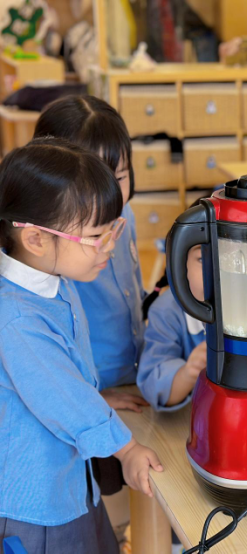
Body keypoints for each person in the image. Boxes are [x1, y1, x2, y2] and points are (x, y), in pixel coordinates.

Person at [0, 138, 162, 553]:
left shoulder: (52, 278)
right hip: (38, 506)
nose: (109, 245)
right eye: (95, 235)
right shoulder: (16, 318)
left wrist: (96, 396)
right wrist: (127, 449)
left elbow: (57, 378)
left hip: (69, 483)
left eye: (112, 229)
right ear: (36, 239)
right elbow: (63, 397)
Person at [34, 95, 146, 392]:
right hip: (87, 388)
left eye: (119, 177)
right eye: (94, 183)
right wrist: (92, 397)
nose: (111, 197)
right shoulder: (51, 245)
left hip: (134, 370)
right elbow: (45, 344)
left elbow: (132, 285)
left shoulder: (126, 215)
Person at [138, 242, 206, 411]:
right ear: (179, 263)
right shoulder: (166, 311)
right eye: (202, 259)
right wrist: (190, 372)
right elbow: (154, 389)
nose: (218, 271)